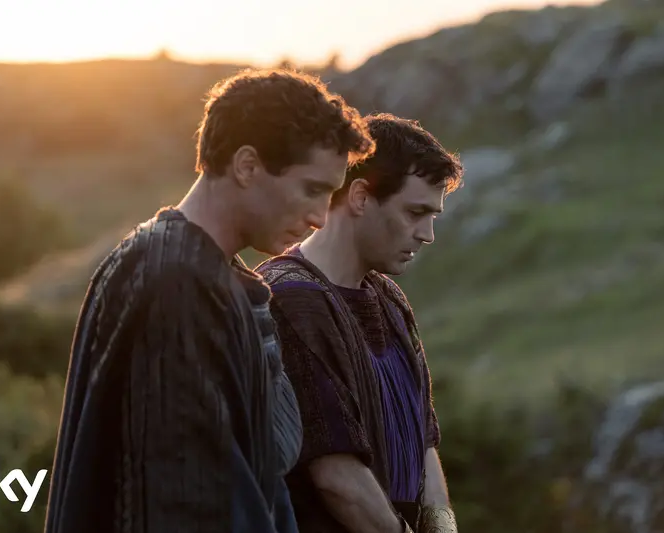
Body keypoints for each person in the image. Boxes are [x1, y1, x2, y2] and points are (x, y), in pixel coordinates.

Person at [43, 68, 375, 533]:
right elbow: (188, 503)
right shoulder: (176, 283)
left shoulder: (195, 270)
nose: (321, 217)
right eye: (312, 189)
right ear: (247, 166)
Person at [256, 113, 464, 533]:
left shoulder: (389, 298)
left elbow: (424, 441)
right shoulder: (289, 299)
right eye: (415, 212)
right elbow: (336, 476)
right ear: (361, 197)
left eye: (433, 216)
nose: (427, 234)